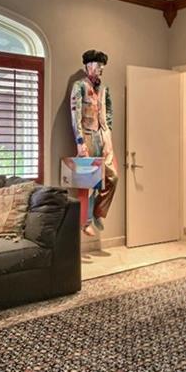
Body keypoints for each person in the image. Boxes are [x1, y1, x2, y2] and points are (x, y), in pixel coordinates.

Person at [70, 50, 118, 236]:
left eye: (102, 66)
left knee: (112, 177)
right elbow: (75, 114)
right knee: (87, 181)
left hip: (102, 135)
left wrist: (108, 134)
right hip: (87, 135)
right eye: (97, 65)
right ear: (88, 66)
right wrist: (80, 141)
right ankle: (85, 222)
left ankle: (98, 211)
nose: (101, 69)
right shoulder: (79, 86)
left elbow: (109, 113)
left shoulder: (104, 89)